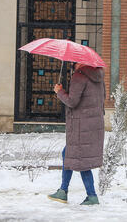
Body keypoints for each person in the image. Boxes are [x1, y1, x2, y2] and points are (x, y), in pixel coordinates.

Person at [48, 63, 105, 205]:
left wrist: (59, 91)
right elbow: (99, 99)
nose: (72, 64)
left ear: (80, 63)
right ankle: (63, 191)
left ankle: (91, 196)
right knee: (70, 155)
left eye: (74, 62)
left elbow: (72, 102)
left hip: (81, 125)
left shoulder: (79, 77)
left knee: (79, 159)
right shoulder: (98, 78)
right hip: (94, 123)